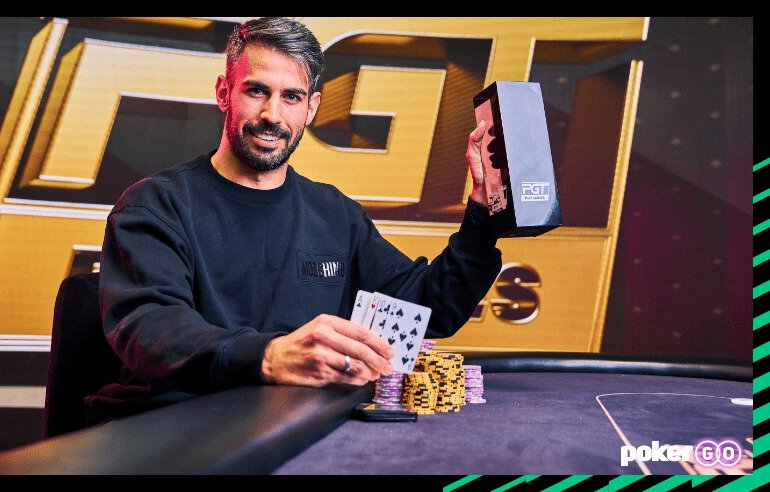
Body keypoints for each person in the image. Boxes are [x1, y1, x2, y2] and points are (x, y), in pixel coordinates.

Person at [87, 17, 503, 423]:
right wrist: (269, 356)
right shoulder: (155, 205)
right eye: (256, 90)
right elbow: (153, 331)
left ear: (311, 109)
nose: (272, 114)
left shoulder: (336, 214)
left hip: (295, 429)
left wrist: (481, 218)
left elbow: (430, 309)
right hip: (174, 430)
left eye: (291, 97)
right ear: (223, 92)